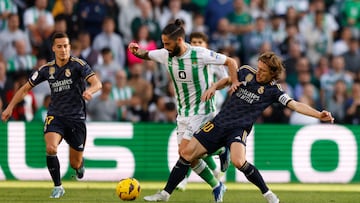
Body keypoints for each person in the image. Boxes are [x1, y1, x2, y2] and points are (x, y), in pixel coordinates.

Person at [159, 51, 334, 203]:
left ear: (273, 73)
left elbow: (295, 105)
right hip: (219, 123)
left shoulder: (274, 91)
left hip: (238, 129)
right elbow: (227, 80)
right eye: (258, 68)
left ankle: (268, 194)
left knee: (238, 161)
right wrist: (214, 87)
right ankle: (165, 194)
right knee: (186, 154)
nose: (258, 73)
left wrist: (319, 115)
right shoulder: (245, 72)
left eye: (263, 71)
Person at [128, 19, 239, 202]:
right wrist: (136, 50)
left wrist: (234, 82)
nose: (165, 47)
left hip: (203, 109)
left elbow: (231, 62)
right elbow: (146, 54)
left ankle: (165, 194)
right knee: (187, 155)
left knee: (187, 152)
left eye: (168, 43)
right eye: (163, 43)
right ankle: (217, 179)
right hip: (184, 112)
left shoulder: (200, 54)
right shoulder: (166, 54)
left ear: (179, 40)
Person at [1, 32, 102, 198]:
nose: (63, 50)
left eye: (66, 46)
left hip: (76, 118)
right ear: (54, 48)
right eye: (60, 46)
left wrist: (90, 90)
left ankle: (79, 165)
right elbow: (25, 88)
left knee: (74, 163)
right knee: (51, 148)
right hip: (56, 115)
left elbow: (97, 83)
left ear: (69, 47)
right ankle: (58, 186)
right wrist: (10, 107)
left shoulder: (78, 64)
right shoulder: (46, 69)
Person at [174, 31, 229, 191]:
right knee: (191, 148)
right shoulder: (184, 61)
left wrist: (213, 87)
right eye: (194, 42)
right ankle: (218, 160)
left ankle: (184, 179)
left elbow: (227, 80)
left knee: (190, 148)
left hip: (206, 110)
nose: (197, 45)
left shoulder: (211, 62)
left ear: (206, 45)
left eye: (200, 42)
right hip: (187, 109)